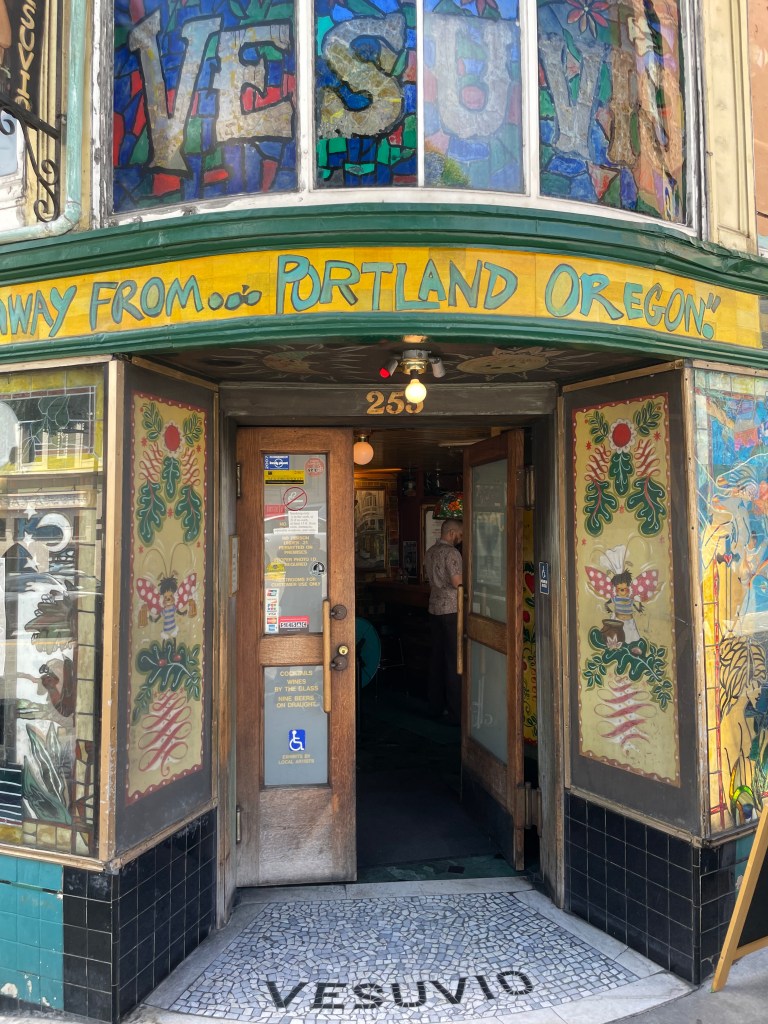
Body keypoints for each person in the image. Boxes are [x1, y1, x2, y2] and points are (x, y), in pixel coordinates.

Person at [424, 518, 463, 723]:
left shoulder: (430, 551)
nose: (461, 538)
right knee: (453, 661)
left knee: (436, 659)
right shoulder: (452, 553)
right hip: (451, 611)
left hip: (434, 609)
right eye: (460, 534)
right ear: (451, 533)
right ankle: (456, 712)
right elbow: (458, 583)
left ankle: (434, 706)